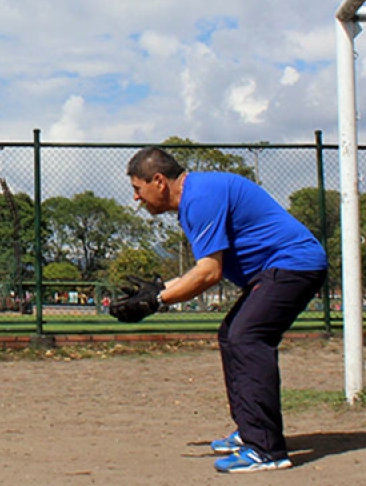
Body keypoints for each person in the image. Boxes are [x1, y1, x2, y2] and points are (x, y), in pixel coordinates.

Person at [114, 147, 328, 474]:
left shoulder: (199, 199)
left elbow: (209, 273)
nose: (136, 198)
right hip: (279, 269)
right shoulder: (196, 197)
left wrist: (157, 301)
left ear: (158, 181)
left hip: (294, 265)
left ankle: (267, 449)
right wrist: (158, 291)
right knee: (232, 335)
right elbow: (205, 269)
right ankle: (250, 432)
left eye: (137, 188)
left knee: (247, 338)